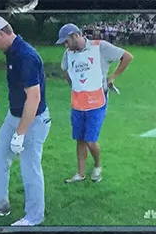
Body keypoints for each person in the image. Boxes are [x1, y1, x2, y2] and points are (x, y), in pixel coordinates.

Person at [0, 16, 51, 226]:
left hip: (33, 120)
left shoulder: (25, 56)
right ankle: (0, 205)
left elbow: (33, 98)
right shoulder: (11, 51)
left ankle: (35, 216)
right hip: (15, 115)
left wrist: (21, 133)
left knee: (30, 167)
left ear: (0, 33)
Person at [56, 22, 133, 183]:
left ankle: (97, 166)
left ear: (75, 36)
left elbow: (127, 57)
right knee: (80, 138)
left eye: (66, 41)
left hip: (97, 102)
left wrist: (112, 77)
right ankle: (80, 173)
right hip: (77, 103)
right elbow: (65, 70)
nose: (65, 45)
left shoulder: (100, 47)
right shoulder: (68, 53)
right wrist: (75, 85)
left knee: (90, 140)